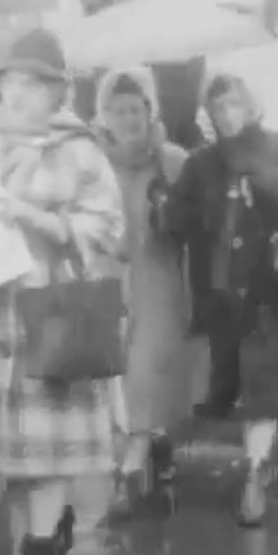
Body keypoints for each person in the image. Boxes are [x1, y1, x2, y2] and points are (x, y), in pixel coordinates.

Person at [0, 29, 128, 555]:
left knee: (51, 450)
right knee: (18, 456)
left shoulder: (79, 149)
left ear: (58, 93)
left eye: (34, 84)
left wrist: (31, 215)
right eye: (12, 82)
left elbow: (106, 227)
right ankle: (43, 549)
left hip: (55, 312)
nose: (20, 94)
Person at [162, 73, 278, 528]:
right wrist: (163, 206)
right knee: (240, 389)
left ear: (252, 106)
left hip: (276, 290)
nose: (228, 114)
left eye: (235, 104)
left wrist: (257, 174)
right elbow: (177, 219)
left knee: (264, 390)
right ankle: (266, 453)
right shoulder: (201, 164)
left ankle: (253, 477)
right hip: (223, 294)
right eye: (218, 107)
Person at [94, 67, 196, 513]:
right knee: (120, 372)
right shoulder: (92, 161)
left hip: (160, 278)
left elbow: (198, 219)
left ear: (150, 110)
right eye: (117, 110)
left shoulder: (173, 160)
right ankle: (155, 441)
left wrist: (171, 212)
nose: (127, 119)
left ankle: (131, 467)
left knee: (147, 366)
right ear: (102, 114)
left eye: (136, 109)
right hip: (109, 277)